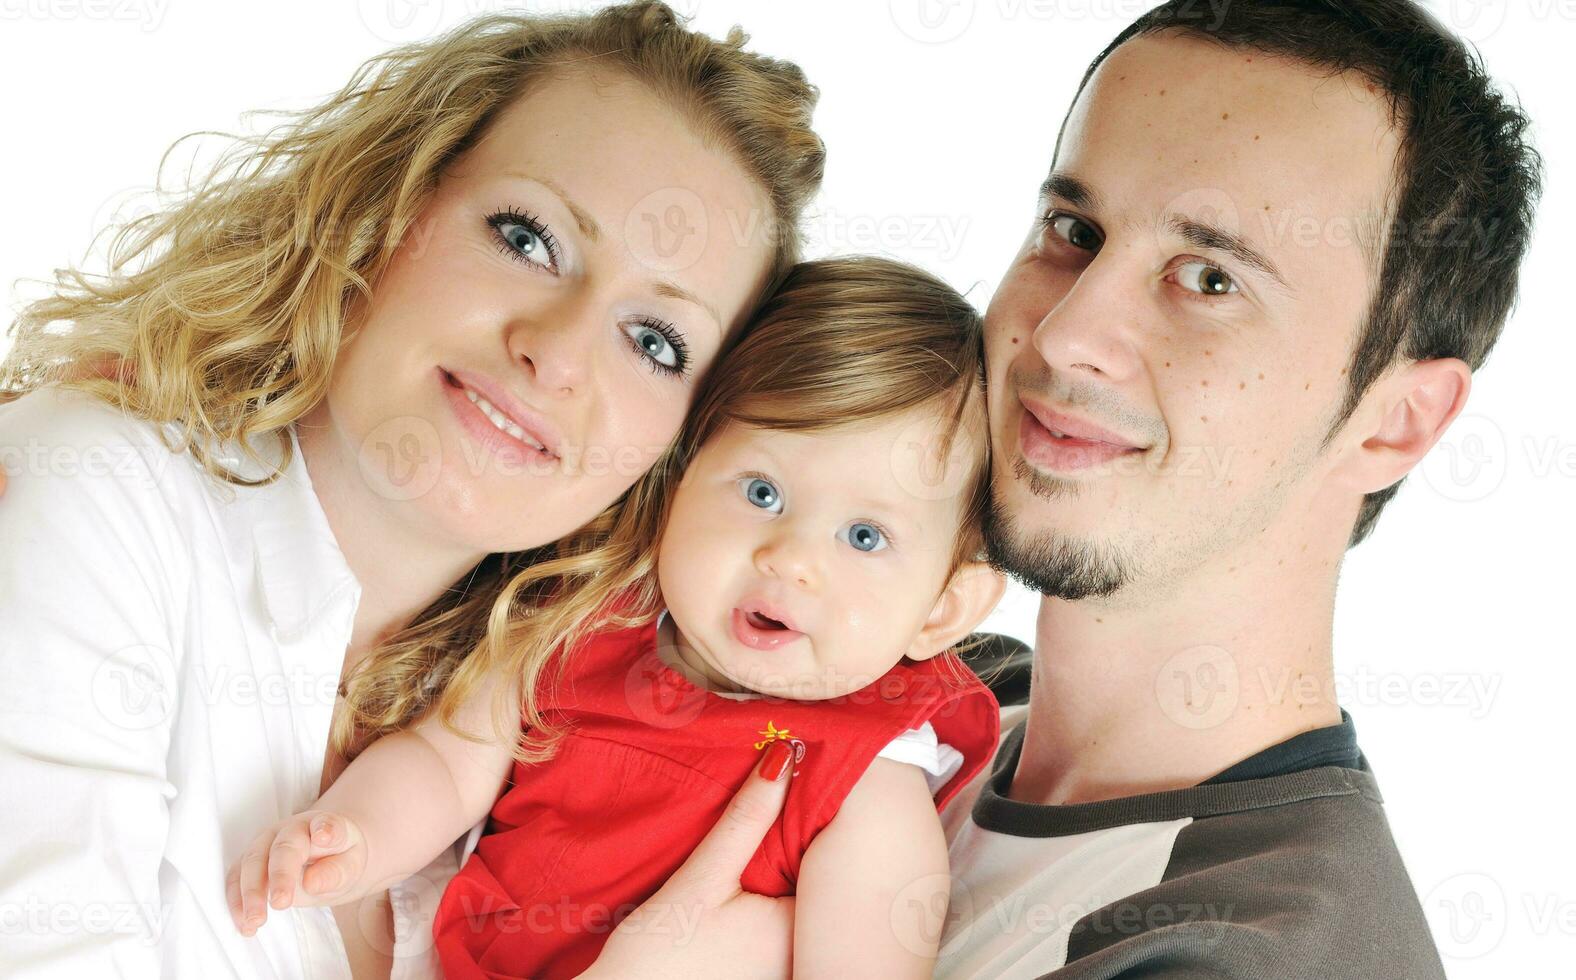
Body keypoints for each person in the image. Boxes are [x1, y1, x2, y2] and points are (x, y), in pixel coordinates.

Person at [579, 0, 1544, 976]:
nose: (1067, 333)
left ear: (1395, 420)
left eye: (1209, 279)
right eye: (1073, 229)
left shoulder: (1245, 951)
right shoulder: (909, 681)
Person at [0, 4, 826, 977]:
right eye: (528, 237)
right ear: (380, 211)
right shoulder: (96, 488)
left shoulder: (539, 723)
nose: (556, 355)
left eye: (654, 341)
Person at [223, 256, 1010, 979]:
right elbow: (445, 763)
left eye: (865, 537)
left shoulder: (868, 786)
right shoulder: (584, 621)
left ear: (941, 611)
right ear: (680, 475)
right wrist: (355, 837)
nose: (790, 558)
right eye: (761, 492)